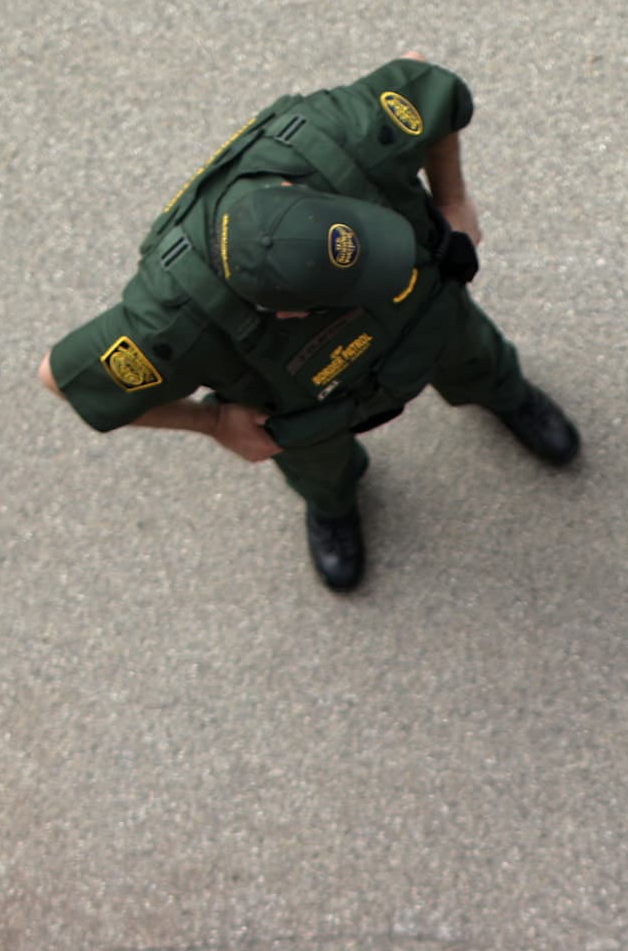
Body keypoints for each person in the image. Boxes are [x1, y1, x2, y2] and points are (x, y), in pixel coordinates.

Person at [40, 54, 578, 593]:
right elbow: (58, 377)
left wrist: (453, 199)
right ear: (289, 313)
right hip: (306, 407)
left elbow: (426, 80)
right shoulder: (173, 320)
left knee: (477, 356)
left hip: (429, 315)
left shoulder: (341, 135)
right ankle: (334, 506)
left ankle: (506, 395)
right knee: (320, 470)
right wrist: (213, 425)